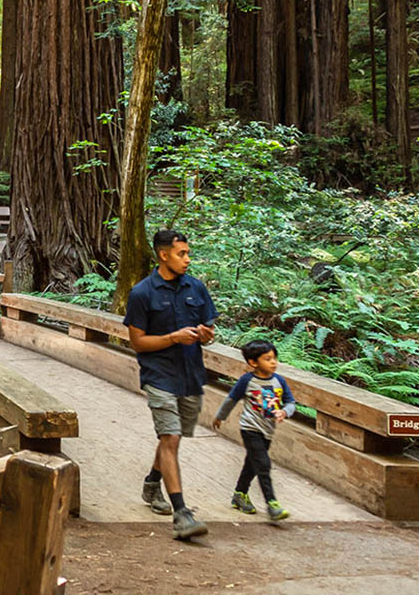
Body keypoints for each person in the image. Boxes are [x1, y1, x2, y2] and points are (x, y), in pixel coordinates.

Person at [123, 230, 217, 539]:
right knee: (171, 438)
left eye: (188, 253)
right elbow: (137, 342)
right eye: (182, 254)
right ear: (164, 255)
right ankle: (182, 514)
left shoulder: (196, 288)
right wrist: (173, 338)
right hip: (158, 375)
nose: (188, 259)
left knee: (170, 440)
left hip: (190, 375)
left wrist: (205, 335)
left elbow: (210, 330)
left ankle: (152, 483)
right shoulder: (142, 293)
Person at [212, 340, 296, 521]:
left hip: (267, 430)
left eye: (274, 358)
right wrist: (220, 416)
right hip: (250, 428)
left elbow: (291, 402)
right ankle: (272, 504)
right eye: (268, 359)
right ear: (253, 362)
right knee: (263, 464)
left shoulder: (279, 381)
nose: (273, 362)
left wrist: (284, 412)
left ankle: (239, 495)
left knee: (252, 464)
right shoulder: (247, 380)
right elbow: (231, 399)